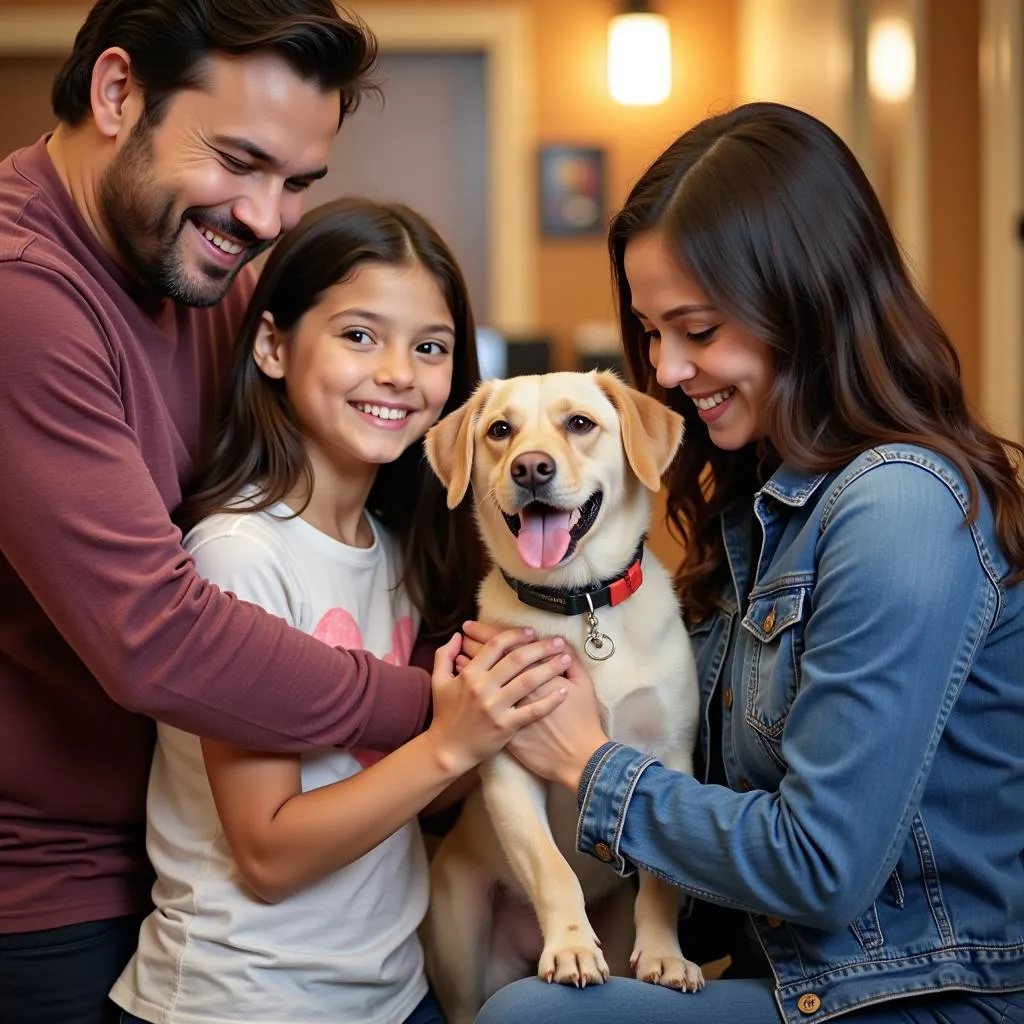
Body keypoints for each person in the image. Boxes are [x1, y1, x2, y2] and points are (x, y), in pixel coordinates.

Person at [0, 3, 558, 1021]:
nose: (264, 218)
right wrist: (432, 715)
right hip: (52, 891)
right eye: (239, 160)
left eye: (297, 182)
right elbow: (155, 636)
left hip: (187, 868)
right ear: (117, 94)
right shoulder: (22, 295)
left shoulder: (201, 267)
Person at [469, 102, 1024, 1024]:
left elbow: (821, 865)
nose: (667, 370)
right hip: (795, 970)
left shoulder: (897, 507)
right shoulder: (768, 507)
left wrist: (584, 757)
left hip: (915, 997)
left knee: (530, 1018)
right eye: (650, 332)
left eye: (696, 329)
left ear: (802, 299)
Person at [107, 197, 572, 1024]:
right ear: (274, 345)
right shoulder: (239, 553)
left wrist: (507, 729)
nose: (398, 372)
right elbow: (269, 854)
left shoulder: (397, 547)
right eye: (360, 335)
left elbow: (384, 792)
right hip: (242, 1002)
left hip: (395, 995)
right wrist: (451, 742)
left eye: (429, 347)